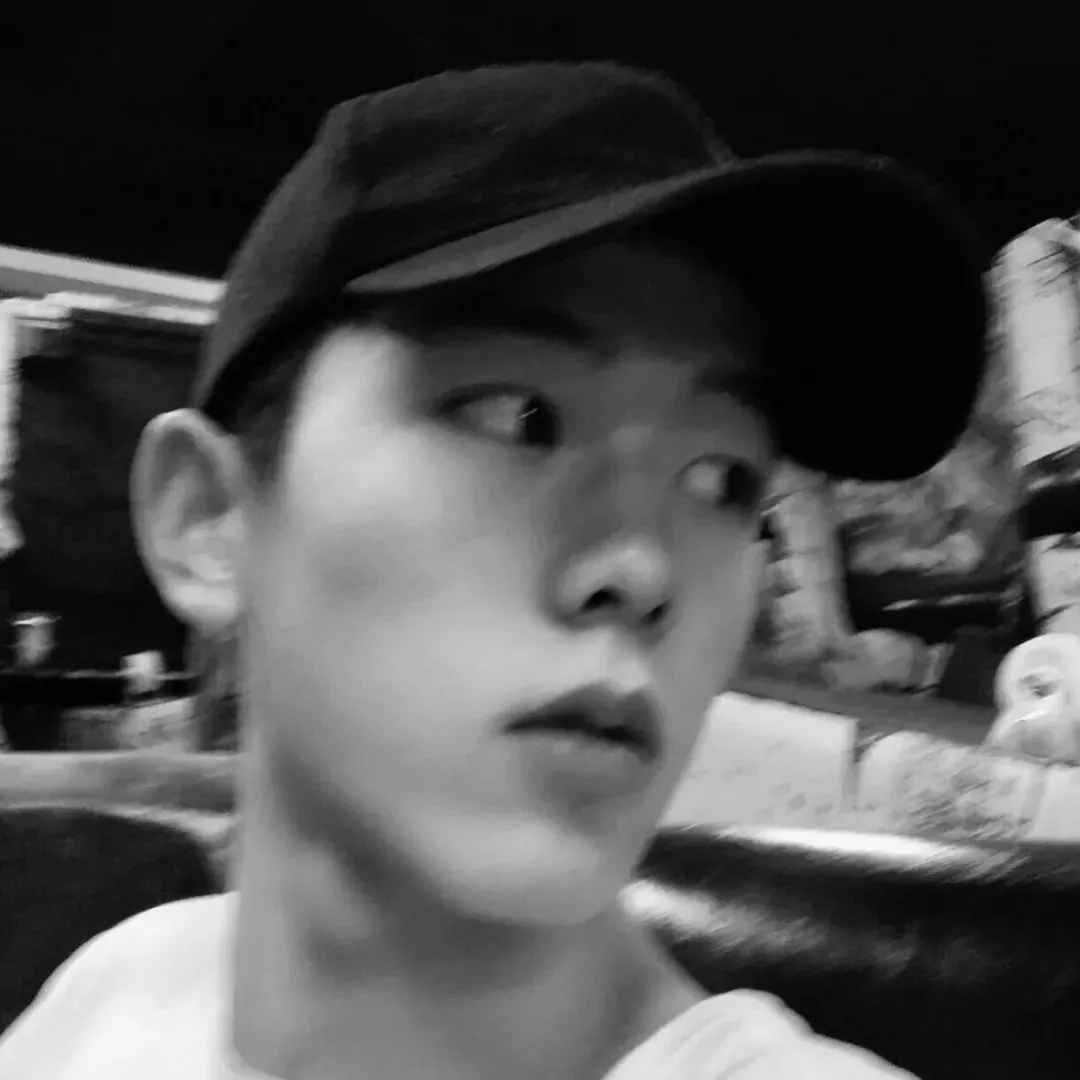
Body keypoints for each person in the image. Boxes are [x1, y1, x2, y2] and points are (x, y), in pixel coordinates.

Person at [0, 62, 988, 1079]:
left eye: (722, 479)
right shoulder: (120, 992)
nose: (642, 571)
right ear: (207, 518)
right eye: (518, 417)